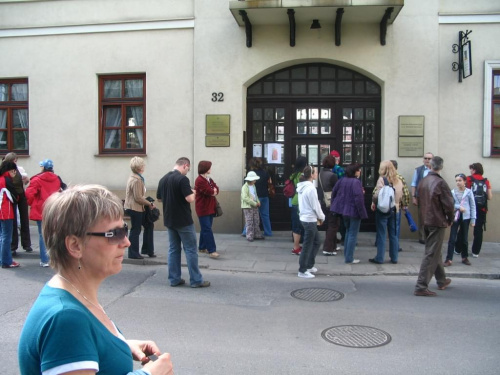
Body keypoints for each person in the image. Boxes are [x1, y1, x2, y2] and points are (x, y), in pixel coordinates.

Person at [18, 185, 173, 374]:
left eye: (124, 229)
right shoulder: (66, 318)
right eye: (114, 234)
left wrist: (118, 346)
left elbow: (83, 342)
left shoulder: (69, 292)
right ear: (75, 245)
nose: (126, 242)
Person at [157, 157, 210, 288]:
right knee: (191, 249)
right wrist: (193, 192)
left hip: (169, 219)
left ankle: (174, 279)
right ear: (185, 165)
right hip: (184, 220)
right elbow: (190, 199)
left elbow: (159, 199)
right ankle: (196, 280)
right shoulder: (182, 179)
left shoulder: (163, 179)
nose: (188, 171)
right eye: (188, 169)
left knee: (173, 249)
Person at [414, 156, 454, 297]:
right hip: (436, 221)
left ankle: (441, 280)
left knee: (435, 251)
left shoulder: (424, 181)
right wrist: (451, 218)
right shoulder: (440, 183)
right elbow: (449, 204)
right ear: (440, 167)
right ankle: (421, 286)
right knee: (431, 253)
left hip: (426, 220)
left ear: (430, 166)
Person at [26, 159, 65, 267]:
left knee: (42, 235)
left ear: (43, 167)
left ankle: (44, 260)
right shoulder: (57, 178)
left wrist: (31, 203)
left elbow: (29, 194)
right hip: (54, 210)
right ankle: (55, 258)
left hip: (41, 210)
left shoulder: (37, 179)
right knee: (53, 234)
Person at [330, 163, 368, 264]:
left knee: (347, 232)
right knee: (352, 234)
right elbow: (358, 199)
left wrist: (335, 205)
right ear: (355, 171)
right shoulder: (356, 182)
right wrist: (362, 212)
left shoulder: (342, 180)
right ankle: (349, 257)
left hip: (343, 211)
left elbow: (334, 192)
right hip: (354, 211)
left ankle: (347, 254)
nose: (360, 171)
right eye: (358, 170)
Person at [369, 160, 403, 264]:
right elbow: (401, 195)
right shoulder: (399, 179)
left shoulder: (382, 180)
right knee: (393, 234)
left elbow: (377, 194)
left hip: (383, 210)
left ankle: (380, 258)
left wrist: (374, 202)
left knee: (382, 234)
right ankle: (394, 257)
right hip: (395, 209)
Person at [124, 156, 155, 259]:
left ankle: (146, 250)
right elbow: (137, 198)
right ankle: (133, 253)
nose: (144, 166)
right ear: (139, 167)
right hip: (134, 207)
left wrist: (147, 201)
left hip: (136, 206)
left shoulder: (135, 177)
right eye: (143, 165)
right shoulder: (137, 180)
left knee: (147, 226)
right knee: (135, 230)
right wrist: (149, 204)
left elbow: (138, 196)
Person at [297, 165, 325, 278]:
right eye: (316, 172)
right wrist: (322, 217)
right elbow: (316, 206)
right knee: (308, 245)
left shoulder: (302, 187)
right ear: (312, 175)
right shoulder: (311, 188)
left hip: (305, 218)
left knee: (317, 241)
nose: (317, 174)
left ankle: (308, 265)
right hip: (309, 219)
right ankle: (302, 270)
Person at [2, 153, 32, 255]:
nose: (16, 162)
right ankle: (13, 246)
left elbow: (25, 180)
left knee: (24, 219)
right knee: (13, 222)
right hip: (12, 197)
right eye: (14, 160)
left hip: (21, 195)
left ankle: (26, 244)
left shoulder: (18, 169)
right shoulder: (5, 170)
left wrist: (25, 181)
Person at [444, 173, 476, 267]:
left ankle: (464, 257)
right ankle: (449, 259)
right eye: (456, 181)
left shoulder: (469, 192)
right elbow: (450, 204)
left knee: (464, 238)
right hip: (456, 216)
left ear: (464, 181)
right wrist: (458, 207)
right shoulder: (453, 192)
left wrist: (473, 219)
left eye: (460, 180)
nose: (458, 182)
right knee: (452, 238)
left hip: (466, 217)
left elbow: (473, 206)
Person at [466, 162, 493, 258]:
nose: (470, 171)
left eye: (471, 169)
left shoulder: (469, 179)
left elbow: (465, 194)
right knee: (478, 230)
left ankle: (458, 249)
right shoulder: (486, 181)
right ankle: (475, 252)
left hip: (469, 207)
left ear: (474, 170)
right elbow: (489, 197)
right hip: (482, 208)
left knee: (464, 227)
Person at [195, 160, 220, 258]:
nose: (210, 169)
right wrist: (213, 190)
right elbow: (209, 191)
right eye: (209, 167)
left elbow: (216, 188)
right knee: (207, 229)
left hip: (210, 207)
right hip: (203, 208)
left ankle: (202, 247)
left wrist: (214, 190)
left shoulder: (209, 179)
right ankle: (212, 250)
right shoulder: (200, 180)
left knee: (205, 228)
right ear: (205, 168)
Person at [242, 158, 273, 237]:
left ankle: (246, 232)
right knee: (265, 215)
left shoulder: (250, 173)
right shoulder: (265, 173)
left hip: (254, 197)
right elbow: (270, 182)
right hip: (264, 195)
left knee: (250, 215)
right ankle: (268, 232)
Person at [0, 161, 20, 269]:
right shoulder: (7, 180)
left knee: (1, 237)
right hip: (6, 211)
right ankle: (6, 261)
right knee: (6, 237)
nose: (15, 173)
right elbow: (15, 196)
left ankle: (2, 259)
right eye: (14, 171)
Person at [411, 152, 434, 244]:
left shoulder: (435, 170)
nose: (427, 160)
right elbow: (413, 184)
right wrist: (413, 197)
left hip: (432, 198)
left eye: (429, 158)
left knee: (432, 217)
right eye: (426, 158)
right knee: (422, 217)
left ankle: (430, 236)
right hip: (421, 197)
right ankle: (422, 237)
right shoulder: (418, 170)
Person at [318, 155, 339, 256]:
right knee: (333, 225)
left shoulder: (320, 173)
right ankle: (328, 247)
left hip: (323, 201)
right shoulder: (332, 175)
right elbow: (337, 189)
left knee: (329, 225)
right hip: (332, 202)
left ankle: (333, 246)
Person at [290, 156, 307, 255]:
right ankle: (296, 247)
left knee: (297, 224)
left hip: (295, 200)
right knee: (298, 225)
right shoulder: (301, 175)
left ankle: (297, 245)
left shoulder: (294, 174)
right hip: (300, 201)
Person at [241, 171, 265, 242]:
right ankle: (249, 235)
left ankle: (256, 234)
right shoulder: (245, 187)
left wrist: (258, 201)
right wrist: (254, 203)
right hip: (248, 206)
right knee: (249, 221)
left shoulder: (253, 186)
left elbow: (255, 195)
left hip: (254, 205)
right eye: (254, 179)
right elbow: (245, 197)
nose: (255, 181)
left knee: (256, 220)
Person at [330, 150, 346, 242]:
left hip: (331, 196)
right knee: (342, 218)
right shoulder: (340, 169)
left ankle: (333, 237)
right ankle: (343, 236)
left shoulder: (327, 169)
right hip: (340, 196)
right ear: (338, 159)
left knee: (333, 219)